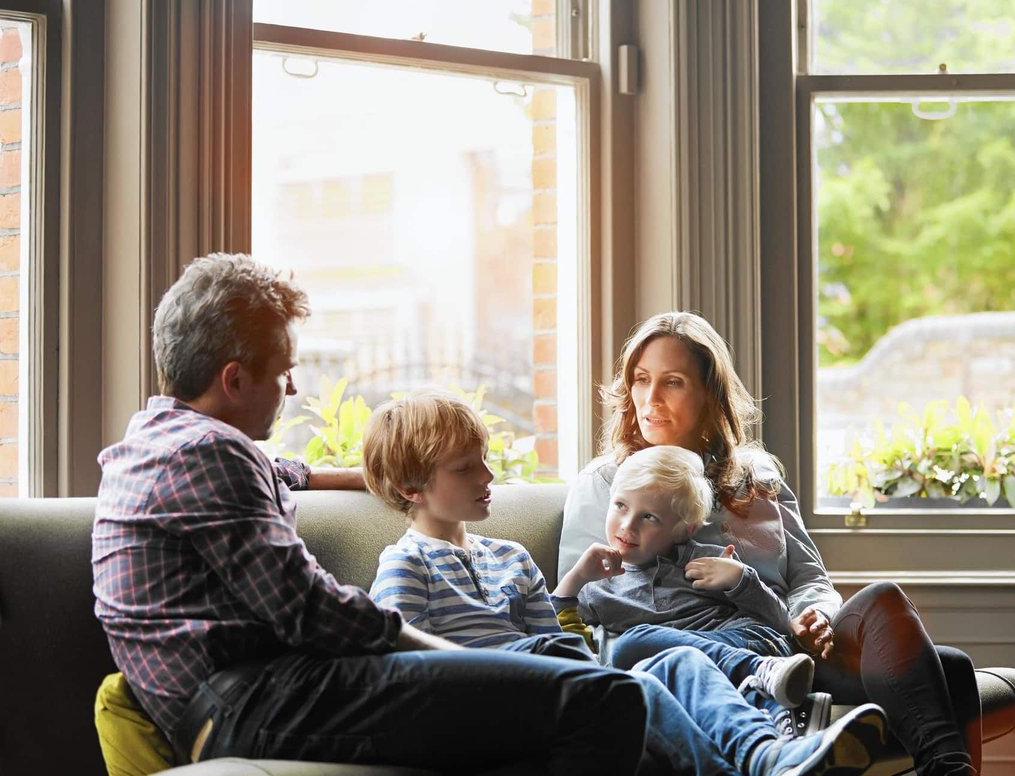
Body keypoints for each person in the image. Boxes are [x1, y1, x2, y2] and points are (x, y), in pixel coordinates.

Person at [92, 253, 650, 774]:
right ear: (234, 379)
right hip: (255, 701)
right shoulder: (209, 454)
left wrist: (397, 476)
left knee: (547, 693)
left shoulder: (160, 441)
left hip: (244, 697)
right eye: (284, 370)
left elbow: (283, 472)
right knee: (606, 697)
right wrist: (451, 657)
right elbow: (307, 609)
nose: (294, 386)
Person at [363, 389, 891, 776]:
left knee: (675, 661)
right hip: (494, 703)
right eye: (465, 469)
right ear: (412, 487)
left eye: (484, 460)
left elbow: (564, 641)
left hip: (560, 685)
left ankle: (770, 756)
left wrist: (571, 600)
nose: (488, 476)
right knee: (634, 676)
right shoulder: (407, 566)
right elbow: (409, 670)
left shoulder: (511, 556)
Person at [558, 310, 982, 776]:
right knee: (948, 670)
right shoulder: (606, 483)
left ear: (709, 394)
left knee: (906, 621)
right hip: (687, 660)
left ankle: (947, 770)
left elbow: (809, 577)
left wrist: (814, 615)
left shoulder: (756, 478)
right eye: (641, 380)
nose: (651, 398)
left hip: (783, 645)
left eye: (672, 382)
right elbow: (586, 602)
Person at [552, 444, 818, 712]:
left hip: (751, 643)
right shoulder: (596, 587)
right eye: (620, 505)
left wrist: (741, 578)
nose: (628, 525)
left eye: (649, 517)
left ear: (683, 530)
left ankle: (761, 669)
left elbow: (780, 624)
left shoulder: (706, 562)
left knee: (631, 644)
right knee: (652, 673)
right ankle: (780, 720)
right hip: (691, 676)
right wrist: (575, 579)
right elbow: (564, 646)